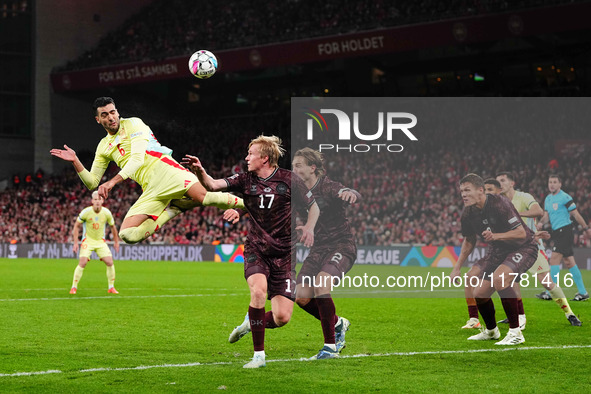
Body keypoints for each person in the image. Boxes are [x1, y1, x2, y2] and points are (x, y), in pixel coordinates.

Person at [181, 135, 320, 368]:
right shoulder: (245, 180)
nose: (247, 158)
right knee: (258, 292)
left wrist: (309, 227)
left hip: (284, 254)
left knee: (282, 317)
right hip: (257, 248)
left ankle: (250, 323)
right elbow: (213, 185)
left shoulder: (289, 180)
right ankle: (259, 356)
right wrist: (199, 171)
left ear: (265, 158)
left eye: (251, 154)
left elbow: (313, 207)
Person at [50, 97, 243, 245]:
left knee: (205, 198)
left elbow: (137, 159)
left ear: (117, 112)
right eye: (105, 115)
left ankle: (250, 202)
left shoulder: (134, 124)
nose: (111, 117)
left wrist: (112, 182)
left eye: (113, 112)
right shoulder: (103, 146)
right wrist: (75, 161)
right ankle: (175, 209)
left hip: (166, 170)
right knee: (127, 235)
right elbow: (92, 182)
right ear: (98, 120)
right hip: (150, 188)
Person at [450, 174, 539, 345]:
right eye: (461, 191)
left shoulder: (499, 203)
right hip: (498, 251)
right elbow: (469, 241)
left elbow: (521, 233)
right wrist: (457, 267)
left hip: (524, 247)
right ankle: (491, 332)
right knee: (479, 293)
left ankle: (515, 332)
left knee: (500, 278)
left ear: (480, 190)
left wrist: (496, 236)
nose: (463, 194)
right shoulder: (468, 213)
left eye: (467, 190)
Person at [291, 148, 360, 359]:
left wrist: (350, 194)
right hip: (318, 248)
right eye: (293, 166)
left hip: (341, 246)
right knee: (301, 296)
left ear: (312, 168)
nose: (294, 169)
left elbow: (350, 192)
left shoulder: (327, 186)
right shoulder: (298, 192)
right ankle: (338, 323)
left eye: (298, 165)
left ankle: (330, 347)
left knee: (322, 283)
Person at [495, 172, 581, 326]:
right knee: (510, 282)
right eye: (497, 181)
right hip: (512, 247)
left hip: (531, 246)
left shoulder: (524, 197)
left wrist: (515, 213)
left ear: (512, 183)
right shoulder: (499, 202)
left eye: (502, 180)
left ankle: (570, 314)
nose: (499, 184)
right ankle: (517, 316)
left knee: (547, 282)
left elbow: (538, 211)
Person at [536, 174, 590, 301]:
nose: (552, 184)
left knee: (554, 259)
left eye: (555, 182)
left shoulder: (565, 197)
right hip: (557, 232)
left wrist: (586, 228)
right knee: (569, 262)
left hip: (565, 231)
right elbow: (546, 216)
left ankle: (551, 292)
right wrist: (540, 223)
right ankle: (583, 292)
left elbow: (575, 214)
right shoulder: (548, 199)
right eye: (550, 182)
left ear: (560, 184)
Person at [70, 191, 120, 294]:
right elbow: (76, 226)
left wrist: (116, 242)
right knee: (82, 262)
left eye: (99, 199)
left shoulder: (106, 213)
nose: (97, 201)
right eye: (95, 199)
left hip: (100, 241)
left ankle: (111, 287)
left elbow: (113, 227)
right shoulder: (86, 212)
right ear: (92, 201)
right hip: (88, 241)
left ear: (102, 201)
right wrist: (75, 243)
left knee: (110, 262)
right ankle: (74, 287)